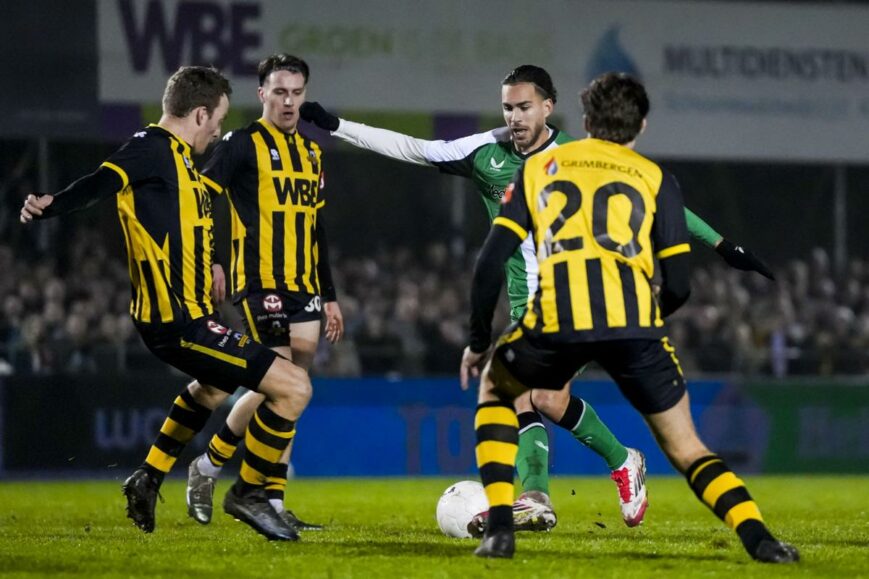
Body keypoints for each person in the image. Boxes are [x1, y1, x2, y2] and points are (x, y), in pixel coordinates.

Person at [299, 65, 774, 532]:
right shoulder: (487, 153)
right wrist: (339, 126)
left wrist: (722, 245)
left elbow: (656, 196)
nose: (514, 117)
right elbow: (416, 149)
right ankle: (587, 477)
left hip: (581, 295)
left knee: (525, 393)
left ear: (549, 107)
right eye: (507, 107)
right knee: (540, 396)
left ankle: (558, 488)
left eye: (524, 107)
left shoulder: (576, 155)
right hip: (533, 302)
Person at [459, 71, 798, 563]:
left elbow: (489, 264)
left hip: (559, 318)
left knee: (497, 388)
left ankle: (501, 533)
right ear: (640, 124)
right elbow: (680, 285)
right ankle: (760, 539)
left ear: (586, 120)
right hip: (635, 325)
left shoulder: (540, 169)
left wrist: (476, 340)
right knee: (686, 447)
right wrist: (646, 319)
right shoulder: (656, 178)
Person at [20, 66, 308, 542]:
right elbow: (101, 181)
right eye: (215, 120)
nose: (217, 130)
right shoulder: (151, 148)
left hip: (193, 316)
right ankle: (250, 494)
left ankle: (148, 478)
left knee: (212, 388)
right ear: (199, 113)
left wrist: (213, 262)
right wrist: (52, 204)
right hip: (177, 322)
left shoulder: (180, 159)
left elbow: (187, 223)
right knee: (295, 387)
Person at [185, 53, 343, 532]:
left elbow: (316, 231)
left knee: (291, 389)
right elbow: (202, 196)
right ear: (262, 94)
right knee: (278, 382)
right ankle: (210, 467)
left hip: (305, 288)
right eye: (280, 91)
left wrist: (330, 294)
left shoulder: (312, 155)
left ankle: (272, 498)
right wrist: (212, 258)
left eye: (297, 92)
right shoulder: (240, 144)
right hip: (260, 283)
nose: (290, 101)